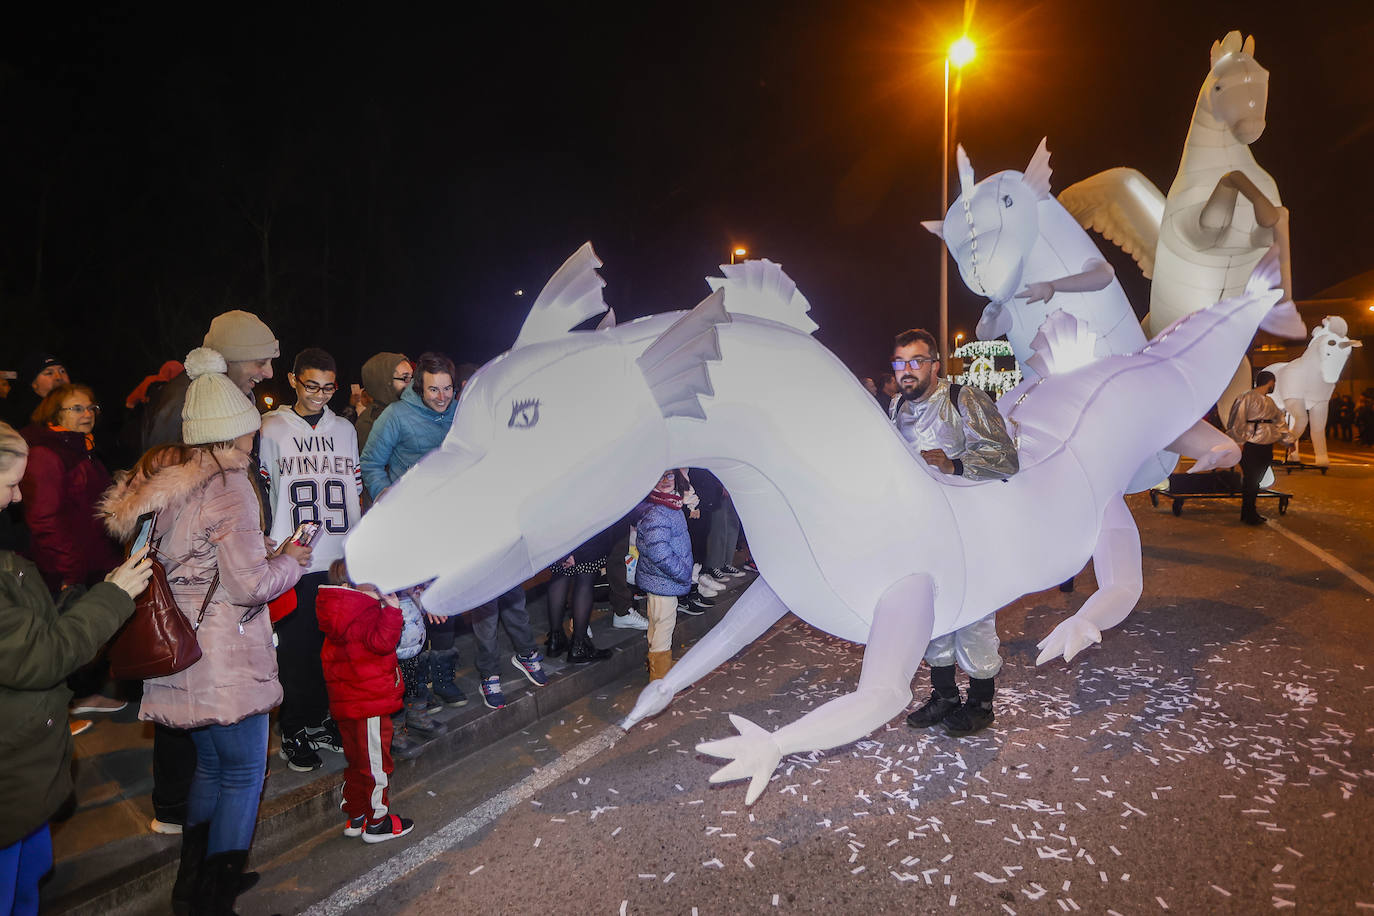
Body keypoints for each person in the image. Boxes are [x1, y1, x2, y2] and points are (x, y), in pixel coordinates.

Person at [100, 348, 309, 914]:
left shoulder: (173, 480)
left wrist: (257, 552)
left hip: (181, 647)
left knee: (211, 768)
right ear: (234, 430)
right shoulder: (231, 485)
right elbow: (247, 585)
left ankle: (191, 888)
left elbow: (193, 560)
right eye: (248, 427)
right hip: (226, 655)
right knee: (244, 772)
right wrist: (293, 559)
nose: (253, 437)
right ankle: (215, 897)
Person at [0, 421, 153, 916]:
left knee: (27, 886)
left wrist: (89, 597)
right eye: (7, 484)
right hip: (9, 778)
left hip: (23, 774)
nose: (15, 499)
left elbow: (31, 635)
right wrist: (112, 598)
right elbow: (40, 658)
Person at [889, 328, 1018, 737]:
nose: (907, 371)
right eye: (900, 362)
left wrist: (954, 465)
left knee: (974, 611)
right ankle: (943, 694)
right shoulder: (894, 405)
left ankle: (981, 701)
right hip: (921, 530)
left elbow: (1007, 459)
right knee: (933, 613)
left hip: (968, 528)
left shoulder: (964, 398)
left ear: (934, 363)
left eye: (916, 361)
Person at [258, 347, 363, 771]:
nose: (320, 395)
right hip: (296, 557)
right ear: (293, 381)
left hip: (338, 555)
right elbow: (265, 495)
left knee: (331, 648)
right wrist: (270, 548)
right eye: (311, 385)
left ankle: (321, 720)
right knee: (297, 649)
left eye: (328, 387)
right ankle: (294, 729)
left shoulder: (346, 429)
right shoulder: (270, 428)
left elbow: (354, 490)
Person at [21, 383, 128, 718]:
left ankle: (85, 694)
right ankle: (72, 701)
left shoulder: (80, 448)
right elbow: (44, 518)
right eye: (77, 409)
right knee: (73, 635)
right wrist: (68, 570)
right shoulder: (47, 453)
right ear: (55, 414)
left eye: (91, 408)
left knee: (93, 631)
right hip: (70, 566)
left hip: (93, 559)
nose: (87, 414)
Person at [316, 560, 415, 843]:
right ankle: (377, 822)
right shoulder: (361, 610)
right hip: (368, 704)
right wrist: (392, 610)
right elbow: (382, 643)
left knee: (357, 761)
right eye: (371, 581)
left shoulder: (336, 612)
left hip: (346, 703)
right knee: (376, 765)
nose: (378, 587)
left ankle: (357, 814)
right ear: (350, 586)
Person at [143, 310, 279, 450]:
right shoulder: (181, 403)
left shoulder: (232, 396)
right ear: (228, 361)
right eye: (261, 362)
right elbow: (161, 466)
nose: (270, 373)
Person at [360, 351, 456, 501]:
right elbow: (371, 463)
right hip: (413, 508)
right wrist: (385, 494)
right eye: (433, 390)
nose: (442, 397)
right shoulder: (395, 414)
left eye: (447, 388)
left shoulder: (462, 409)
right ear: (420, 388)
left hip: (454, 504)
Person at [633, 470, 695, 682]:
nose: (665, 481)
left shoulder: (669, 503)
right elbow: (659, 552)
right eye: (658, 476)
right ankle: (659, 677)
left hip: (661, 580)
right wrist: (683, 572)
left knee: (657, 623)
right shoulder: (657, 512)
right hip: (664, 580)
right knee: (664, 626)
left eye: (669, 475)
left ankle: (656, 663)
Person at [1225, 369, 1292, 526]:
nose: (1274, 385)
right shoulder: (1246, 397)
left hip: (1266, 444)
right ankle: (1249, 513)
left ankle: (1248, 511)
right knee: (1251, 479)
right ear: (1270, 382)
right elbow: (1237, 420)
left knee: (1255, 479)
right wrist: (1239, 442)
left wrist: (1288, 440)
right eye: (1274, 383)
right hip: (1251, 443)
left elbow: (1279, 421)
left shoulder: (1269, 402)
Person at [545, 527, 616, 662]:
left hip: (558, 526)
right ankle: (579, 645)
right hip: (585, 525)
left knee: (560, 573)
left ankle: (555, 639)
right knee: (585, 578)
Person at [354, 352, 410, 453]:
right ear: (386, 381)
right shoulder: (369, 424)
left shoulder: (408, 412)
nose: (411, 384)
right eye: (405, 377)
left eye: (411, 377)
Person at [1, 353, 68, 432]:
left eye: (62, 371)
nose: (59, 377)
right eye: (49, 373)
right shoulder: (24, 419)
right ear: (33, 384)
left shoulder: (84, 404)